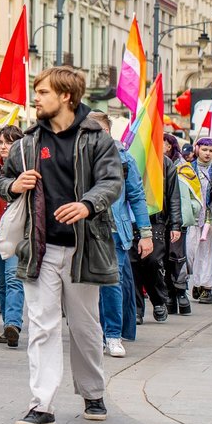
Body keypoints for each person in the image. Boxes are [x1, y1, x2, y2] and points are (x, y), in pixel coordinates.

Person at [0, 67, 122, 424]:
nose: (36, 98)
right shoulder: (27, 142)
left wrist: (87, 204)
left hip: (84, 248)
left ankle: (93, 392)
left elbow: (112, 181)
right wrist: (14, 185)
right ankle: (42, 405)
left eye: (43, 92)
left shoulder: (97, 138)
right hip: (40, 248)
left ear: (66, 96)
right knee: (42, 327)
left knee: (85, 327)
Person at [87, 111, 151, 358]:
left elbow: (136, 196)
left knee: (112, 283)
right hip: (83, 230)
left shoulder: (124, 159)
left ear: (107, 132)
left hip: (115, 231)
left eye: (99, 131)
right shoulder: (76, 158)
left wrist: (145, 234)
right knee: (87, 286)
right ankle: (93, 333)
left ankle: (112, 335)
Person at [128, 134, 182, 324]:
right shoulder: (129, 157)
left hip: (157, 220)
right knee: (132, 264)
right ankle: (136, 309)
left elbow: (174, 197)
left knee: (151, 262)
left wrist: (176, 225)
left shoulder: (166, 164)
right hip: (131, 219)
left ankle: (159, 300)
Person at [0, 125, 26, 348]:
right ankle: (6, 326)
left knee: (13, 279)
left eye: (8, 142)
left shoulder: (26, 169)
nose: (3, 146)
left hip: (17, 235)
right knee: (0, 284)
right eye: (0, 142)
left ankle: (13, 324)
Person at [164, 134, 198, 316]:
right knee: (163, 258)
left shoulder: (183, 167)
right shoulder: (154, 164)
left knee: (177, 256)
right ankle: (169, 294)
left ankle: (181, 291)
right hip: (161, 218)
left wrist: (188, 213)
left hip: (179, 219)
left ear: (169, 145)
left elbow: (195, 194)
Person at [188, 138, 212, 304]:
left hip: (210, 216)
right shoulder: (187, 168)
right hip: (190, 216)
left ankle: (207, 288)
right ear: (197, 149)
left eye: (211, 150)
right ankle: (197, 282)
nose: (207, 153)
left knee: (207, 252)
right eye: (204, 149)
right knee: (191, 252)